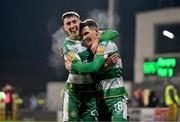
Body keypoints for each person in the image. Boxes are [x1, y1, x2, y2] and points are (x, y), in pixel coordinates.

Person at [65, 19, 128, 121]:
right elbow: (94, 71)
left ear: (97, 32)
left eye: (86, 33)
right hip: (99, 100)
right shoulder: (89, 51)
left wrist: (72, 66)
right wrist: (105, 65)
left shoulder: (105, 44)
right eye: (83, 35)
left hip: (116, 97)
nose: (85, 37)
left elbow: (94, 67)